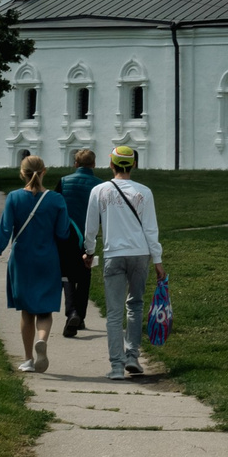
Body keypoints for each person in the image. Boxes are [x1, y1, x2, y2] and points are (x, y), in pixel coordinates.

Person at [0, 154, 77, 373]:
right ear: (44, 172)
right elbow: (63, 233)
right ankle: (42, 340)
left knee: (26, 312)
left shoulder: (14, 198)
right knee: (45, 310)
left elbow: (4, 231)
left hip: (22, 260)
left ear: (21, 173)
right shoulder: (56, 199)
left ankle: (27, 359)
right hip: (48, 259)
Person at [81, 146, 164, 381]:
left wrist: (89, 252)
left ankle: (116, 366)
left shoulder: (99, 190)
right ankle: (132, 357)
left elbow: (91, 227)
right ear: (134, 165)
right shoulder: (144, 192)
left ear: (111, 165)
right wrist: (157, 260)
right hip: (140, 254)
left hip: (114, 255)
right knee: (135, 305)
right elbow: (151, 229)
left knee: (115, 312)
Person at [57, 149, 100, 336]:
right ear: (94, 164)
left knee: (67, 275)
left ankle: (72, 312)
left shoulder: (64, 181)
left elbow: (56, 206)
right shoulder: (100, 185)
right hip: (88, 234)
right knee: (84, 274)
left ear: (75, 164)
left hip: (67, 234)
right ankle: (80, 316)